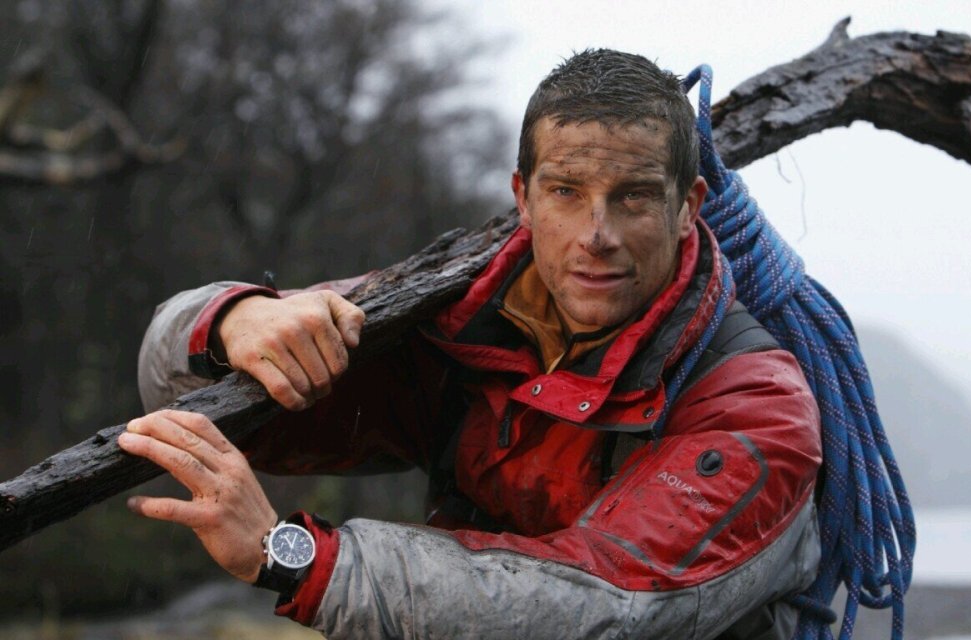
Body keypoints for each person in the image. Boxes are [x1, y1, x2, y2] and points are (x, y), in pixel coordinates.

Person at [121, 49, 822, 639]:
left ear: (687, 207)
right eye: (566, 191)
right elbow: (179, 391)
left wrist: (295, 558)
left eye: (634, 196)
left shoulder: (755, 402)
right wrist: (231, 321)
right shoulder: (453, 317)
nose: (597, 234)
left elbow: (612, 604)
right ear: (524, 197)